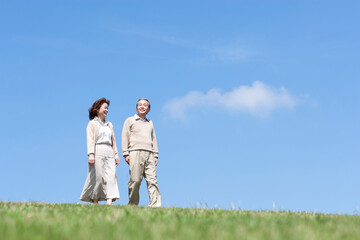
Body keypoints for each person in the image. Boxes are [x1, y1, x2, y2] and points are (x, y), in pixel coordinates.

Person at [121, 98, 161, 207]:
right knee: (135, 180)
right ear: (136, 107)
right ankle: (133, 205)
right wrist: (125, 153)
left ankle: (155, 205)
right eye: (140, 105)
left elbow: (154, 139)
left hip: (150, 154)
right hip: (135, 152)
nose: (142, 107)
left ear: (148, 109)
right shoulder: (130, 120)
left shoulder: (150, 123)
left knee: (152, 181)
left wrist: (155, 155)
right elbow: (125, 137)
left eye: (145, 105)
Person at [80, 98, 120, 205]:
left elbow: (113, 141)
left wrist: (116, 154)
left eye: (107, 108)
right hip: (98, 150)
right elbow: (90, 140)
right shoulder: (92, 124)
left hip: (109, 151)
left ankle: (109, 202)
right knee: (98, 177)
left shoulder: (109, 124)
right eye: (105, 108)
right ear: (97, 109)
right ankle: (95, 201)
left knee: (111, 176)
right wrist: (91, 155)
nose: (107, 110)